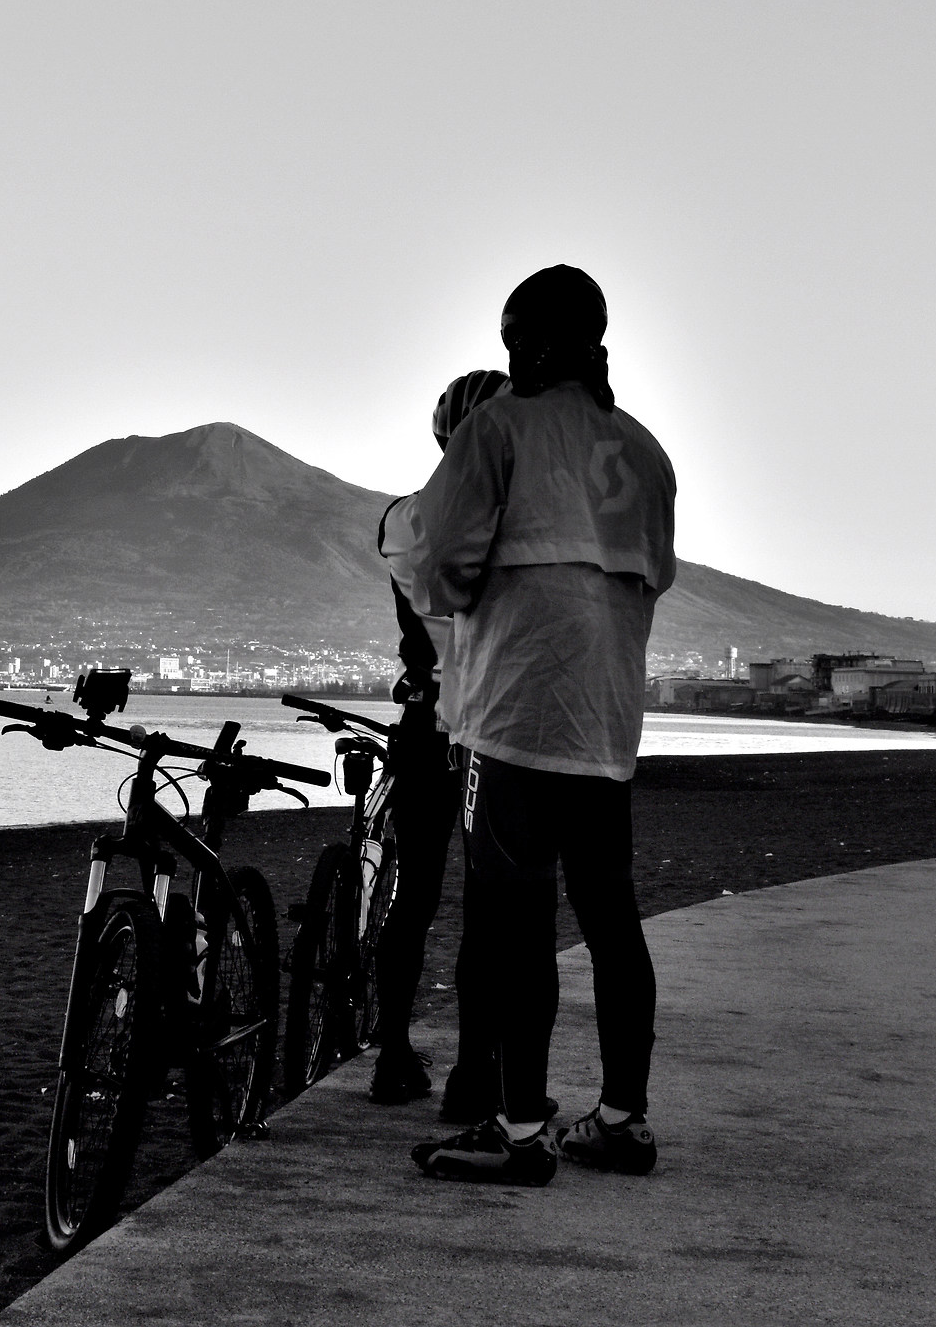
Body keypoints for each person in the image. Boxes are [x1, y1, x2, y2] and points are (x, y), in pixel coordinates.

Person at [382, 266, 676, 1186]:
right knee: (611, 916)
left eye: (515, 339)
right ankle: (620, 1123)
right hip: (606, 717)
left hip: (513, 712)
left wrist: (423, 557)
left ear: (527, 340)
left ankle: (516, 1132)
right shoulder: (646, 452)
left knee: (513, 926)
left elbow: (435, 564)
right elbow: (653, 575)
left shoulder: (497, 427)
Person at [367, 369, 507, 1121]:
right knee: (490, 908)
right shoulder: (511, 525)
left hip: (422, 725)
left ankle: (392, 1055)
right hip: (491, 728)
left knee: (414, 896)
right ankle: (472, 1076)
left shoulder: (401, 522)